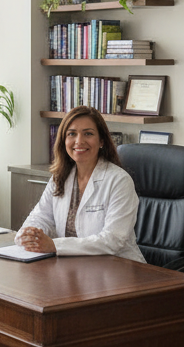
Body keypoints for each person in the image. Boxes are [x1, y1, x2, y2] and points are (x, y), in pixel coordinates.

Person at [15, 105, 144, 261]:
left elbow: (112, 240)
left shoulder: (119, 181)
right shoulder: (60, 177)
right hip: (75, 267)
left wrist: (55, 245)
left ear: (101, 140)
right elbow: (41, 217)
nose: (79, 141)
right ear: (64, 140)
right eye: (72, 134)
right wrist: (30, 234)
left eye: (88, 134)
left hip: (118, 268)